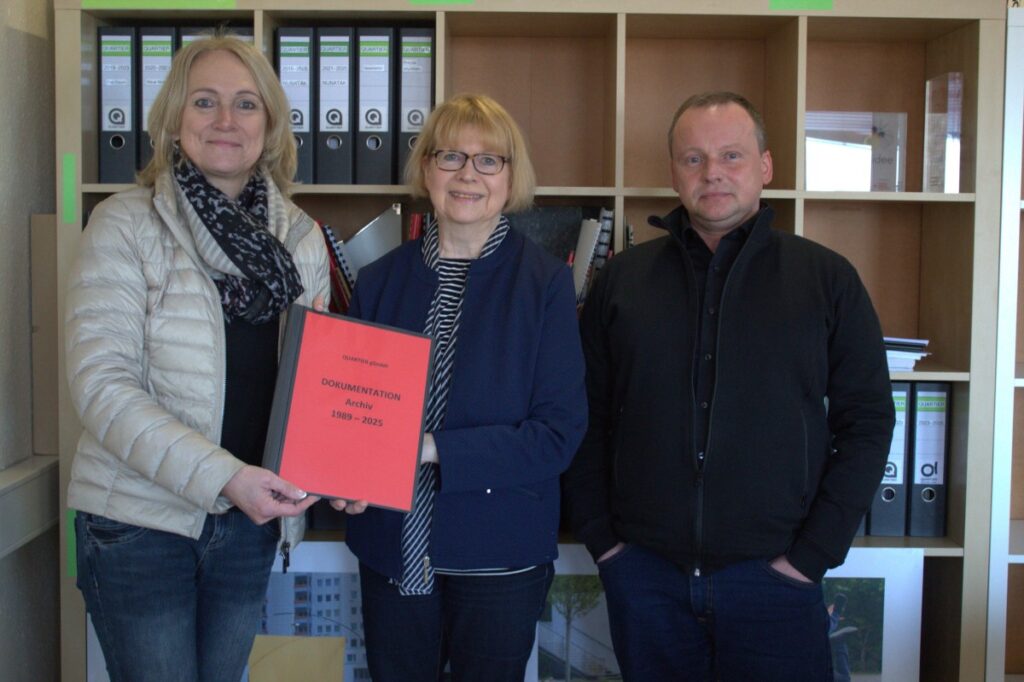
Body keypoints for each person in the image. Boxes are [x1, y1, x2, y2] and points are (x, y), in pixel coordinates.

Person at [562, 91, 895, 681]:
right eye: (693, 158)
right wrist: (606, 544)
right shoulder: (622, 281)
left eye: (731, 155)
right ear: (674, 172)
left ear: (765, 166)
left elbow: (867, 422)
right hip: (647, 579)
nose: (712, 171)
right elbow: (582, 415)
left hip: (776, 582)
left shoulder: (827, 279)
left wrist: (811, 557)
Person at [65, 34, 362, 682]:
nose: (226, 120)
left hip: (250, 525)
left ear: (270, 124)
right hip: (140, 524)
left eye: (246, 104)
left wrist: (343, 465)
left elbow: (316, 384)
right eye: (205, 101)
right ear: (173, 118)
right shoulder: (124, 224)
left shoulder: (300, 238)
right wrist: (224, 477)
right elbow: (101, 385)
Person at [339, 93, 588, 682]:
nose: (468, 174)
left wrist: (429, 449)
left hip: (499, 557)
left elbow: (557, 435)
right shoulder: (378, 281)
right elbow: (350, 411)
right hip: (392, 549)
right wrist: (344, 477)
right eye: (450, 156)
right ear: (426, 169)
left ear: (510, 178)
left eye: (488, 160)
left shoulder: (546, 285)